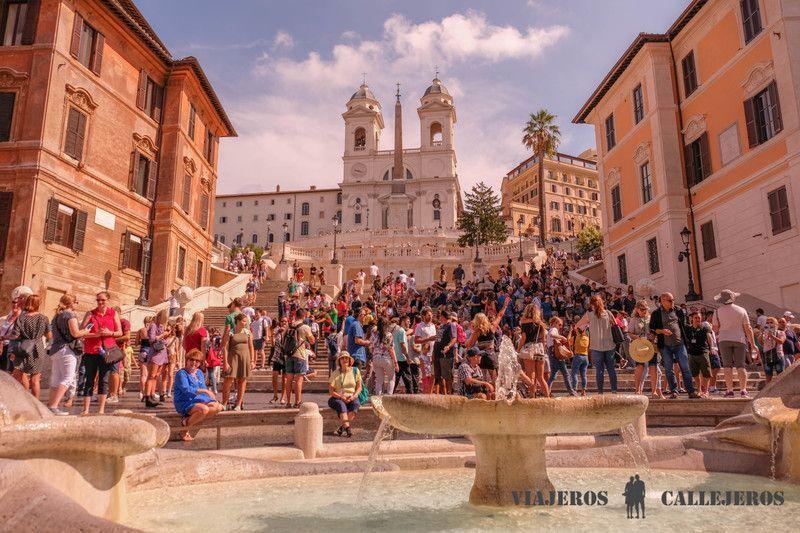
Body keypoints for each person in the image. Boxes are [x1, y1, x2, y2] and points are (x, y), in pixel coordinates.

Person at [649, 292, 699, 399]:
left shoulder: (678, 310)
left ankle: (691, 391)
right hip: (665, 345)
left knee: (685, 367)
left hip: (679, 343)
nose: (672, 302)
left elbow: (683, 325)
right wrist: (662, 331)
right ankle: (674, 391)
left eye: (673, 300)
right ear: (662, 301)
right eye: (669, 300)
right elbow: (653, 329)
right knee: (669, 369)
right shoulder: (656, 313)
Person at [80, 292, 123, 414]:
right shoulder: (90, 314)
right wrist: (95, 334)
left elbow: (120, 332)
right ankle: (86, 410)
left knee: (103, 380)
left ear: (108, 300)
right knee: (89, 380)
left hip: (107, 351)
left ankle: (101, 410)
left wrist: (110, 333)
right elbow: (81, 332)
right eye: (98, 300)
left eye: (103, 300)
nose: (100, 302)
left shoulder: (113, 313)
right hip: (91, 350)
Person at [48, 294, 91, 414]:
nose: (77, 304)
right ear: (71, 303)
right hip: (67, 349)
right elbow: (75, 333)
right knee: (68, 378)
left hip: (55, 349)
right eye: (76, 302)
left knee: (56, 379)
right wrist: (86, 331)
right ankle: (54, 406)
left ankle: (50, 405)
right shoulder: (70, 315)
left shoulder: (57, 315)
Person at [711, 290, 756, 397]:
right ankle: (743, 390)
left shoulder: (717, 311)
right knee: (741, 365)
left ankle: (730, 390)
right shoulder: (741, 310)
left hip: (724, 339)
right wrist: (753, 344)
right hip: (739, 339)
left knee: (727, 366)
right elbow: (748, 328)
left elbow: (715, 329)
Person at [173, 348, 224, 442]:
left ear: (200, 363)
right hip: (185, 401)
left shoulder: (199, 372)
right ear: (187, 360)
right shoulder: (181, 373)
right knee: (204, 409)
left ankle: (187, 420)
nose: (194, 363)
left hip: (198, 400)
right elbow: (186, 390)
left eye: (197, 361)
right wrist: (205, 391)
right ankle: (184, 430)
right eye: (191, 360)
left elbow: (203, 388)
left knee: (217, 407)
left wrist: (211, 400)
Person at [9, 294, 51, 399]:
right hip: (37, 349)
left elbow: (15, 335)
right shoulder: (43, 318)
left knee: (19, 375)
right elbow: (49, 336)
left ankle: (22, 400)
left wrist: (6, 338)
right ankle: (35, 405)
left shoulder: (21, 318)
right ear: (38, 304)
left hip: (23, 348)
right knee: (35, 379)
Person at [576, 295, 618, 395]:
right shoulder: (608, 313)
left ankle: (600, 392)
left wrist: (587, 327)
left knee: (599, 370)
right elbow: (616, 325)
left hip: (596, 346)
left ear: (591, 305)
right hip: (609, 345)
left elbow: (578, 325)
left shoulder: (589, 315)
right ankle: (614, 391)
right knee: (611, 369)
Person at [628, 300, 663, 398]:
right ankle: (637, 390)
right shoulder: (634, 319)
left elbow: (656, 330)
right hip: (640, 346)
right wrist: (638, 337)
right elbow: (629, 334)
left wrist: (653, 335)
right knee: (640, 366)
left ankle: (654, 391)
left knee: (653, 366)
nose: (644, 311)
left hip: (651, 345)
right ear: (637, 309)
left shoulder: (651, 318)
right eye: (642, 309)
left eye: (645, 309)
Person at [222, 313, 255, 410]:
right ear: (238, 321)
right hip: (233, 358)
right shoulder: (230, 332)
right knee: (228, 380)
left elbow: (251, 347)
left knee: (242, 381)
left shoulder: (248, 332)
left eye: (246, 321)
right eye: (244, 321)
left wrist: (252, 360)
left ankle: (238, 404)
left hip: (245, 358)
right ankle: (224, 403)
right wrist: (225, 362)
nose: (245, 323)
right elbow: (225, 348)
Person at [283, 308, 314, 408]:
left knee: (289, 379)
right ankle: (297, 402)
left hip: (289, 354)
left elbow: (283, 339)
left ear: (296, 315)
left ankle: (288, 402)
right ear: (304, 316)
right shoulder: (305, 327)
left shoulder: (289, 326)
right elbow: (312, 341)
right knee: (299, 379)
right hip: (300, 355)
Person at [328, 351, 362, 437]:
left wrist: (354, 396)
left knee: (356, 404)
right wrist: (341, 397)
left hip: (351, 396)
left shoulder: (355, 371)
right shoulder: (335, 373)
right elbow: (331, 391)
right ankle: (348, 429)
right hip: (337, 397)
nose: (344, 360)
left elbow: (359, 388)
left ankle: (342, 428)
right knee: (341, 405)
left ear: (350, 360)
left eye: (346, 358)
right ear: (339, 361)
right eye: (342, 358)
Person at [519, 303, 549, 398]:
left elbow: (523, 338)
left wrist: (518, 349)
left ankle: (532, 398)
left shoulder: (524, 322)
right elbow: (543, 340)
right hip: (539, 349)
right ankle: (548, 398)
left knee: (531, 377)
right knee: (541, 378)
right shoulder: (540, 323)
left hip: (529, 349)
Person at [546, 316, 577, 396]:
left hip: (552, 353)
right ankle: (571, 392)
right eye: (559, 324)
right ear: (554, 323)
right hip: (555, 353)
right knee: (565, 374)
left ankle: (546, 391)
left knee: (553, 375)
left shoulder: (551, 329)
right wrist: (562, 337)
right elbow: (552, 335)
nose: (560, 327)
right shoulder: (553, 329)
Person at [685, 311, 714, 397]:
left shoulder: (705, 327)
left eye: (699, 318)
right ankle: (699, 390)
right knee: (695, 374)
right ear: (692, 319)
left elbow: (709, 338)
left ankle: (706, 391)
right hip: (692, 354)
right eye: (696, 318)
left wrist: (711, 348)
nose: (697, 319)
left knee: (706, 373)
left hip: (703, 352)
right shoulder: (688, 328)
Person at [370, 317, 398, 395]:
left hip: (376, 358)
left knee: (379, 380)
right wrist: (396, 362)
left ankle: (378, 399)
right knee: (391, 379)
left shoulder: (373, 334)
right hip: (386, 358)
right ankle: (389, 398)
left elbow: (371, 346)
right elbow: (391, 349)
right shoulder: (389, 335)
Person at [760, 316, 786, 383]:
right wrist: (761, 333)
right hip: (768, 355)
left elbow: (781, 341)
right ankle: (768, 389)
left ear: (776, 324)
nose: (769, 324)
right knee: (768, 374)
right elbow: (761, 343)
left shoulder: (781, 332)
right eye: (767, 322)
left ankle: (780, 388)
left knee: (780, 375)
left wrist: (772, 336)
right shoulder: (765, 333)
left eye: (771, 322)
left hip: (778, 355)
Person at [567, 323, 589, 396]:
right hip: (585, 357)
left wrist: (570, 331)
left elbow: (568, 340)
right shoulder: (587, 338)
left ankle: (574, 389)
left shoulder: (576, 337)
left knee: (574, 373)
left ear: (577, 330)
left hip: (578, 356)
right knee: (583, 375)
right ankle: (584, 391)